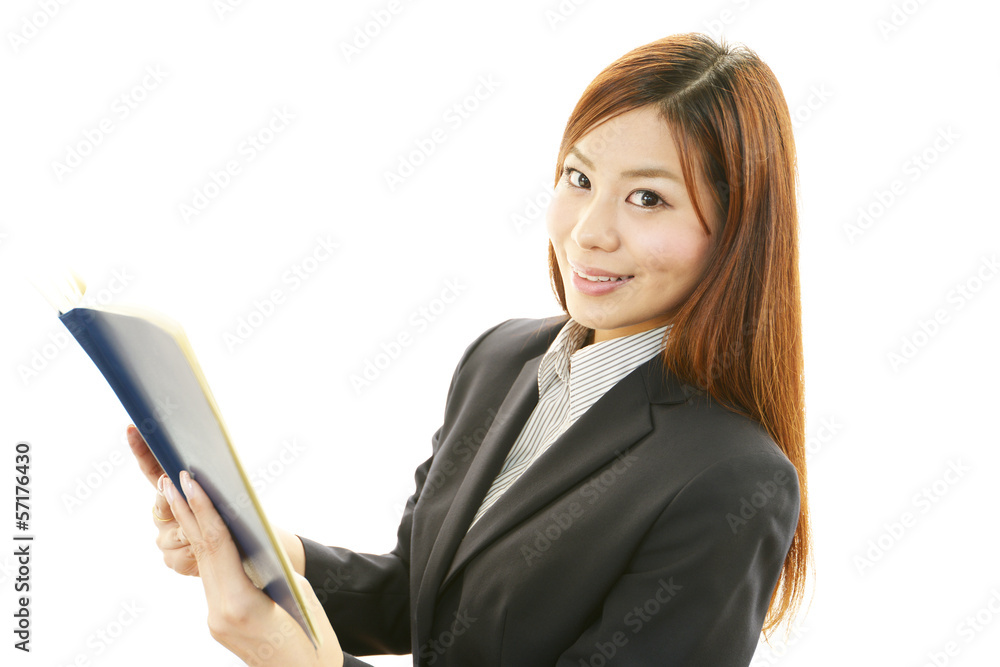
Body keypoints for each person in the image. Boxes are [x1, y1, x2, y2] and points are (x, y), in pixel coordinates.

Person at [128, 32, 811, 666]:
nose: (589, 231)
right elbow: (416, 598)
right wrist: (262, 549)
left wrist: (301, 659)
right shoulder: (502, 358)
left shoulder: (733, 478)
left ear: (735, 230)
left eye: (647, 198)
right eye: (579, 178)